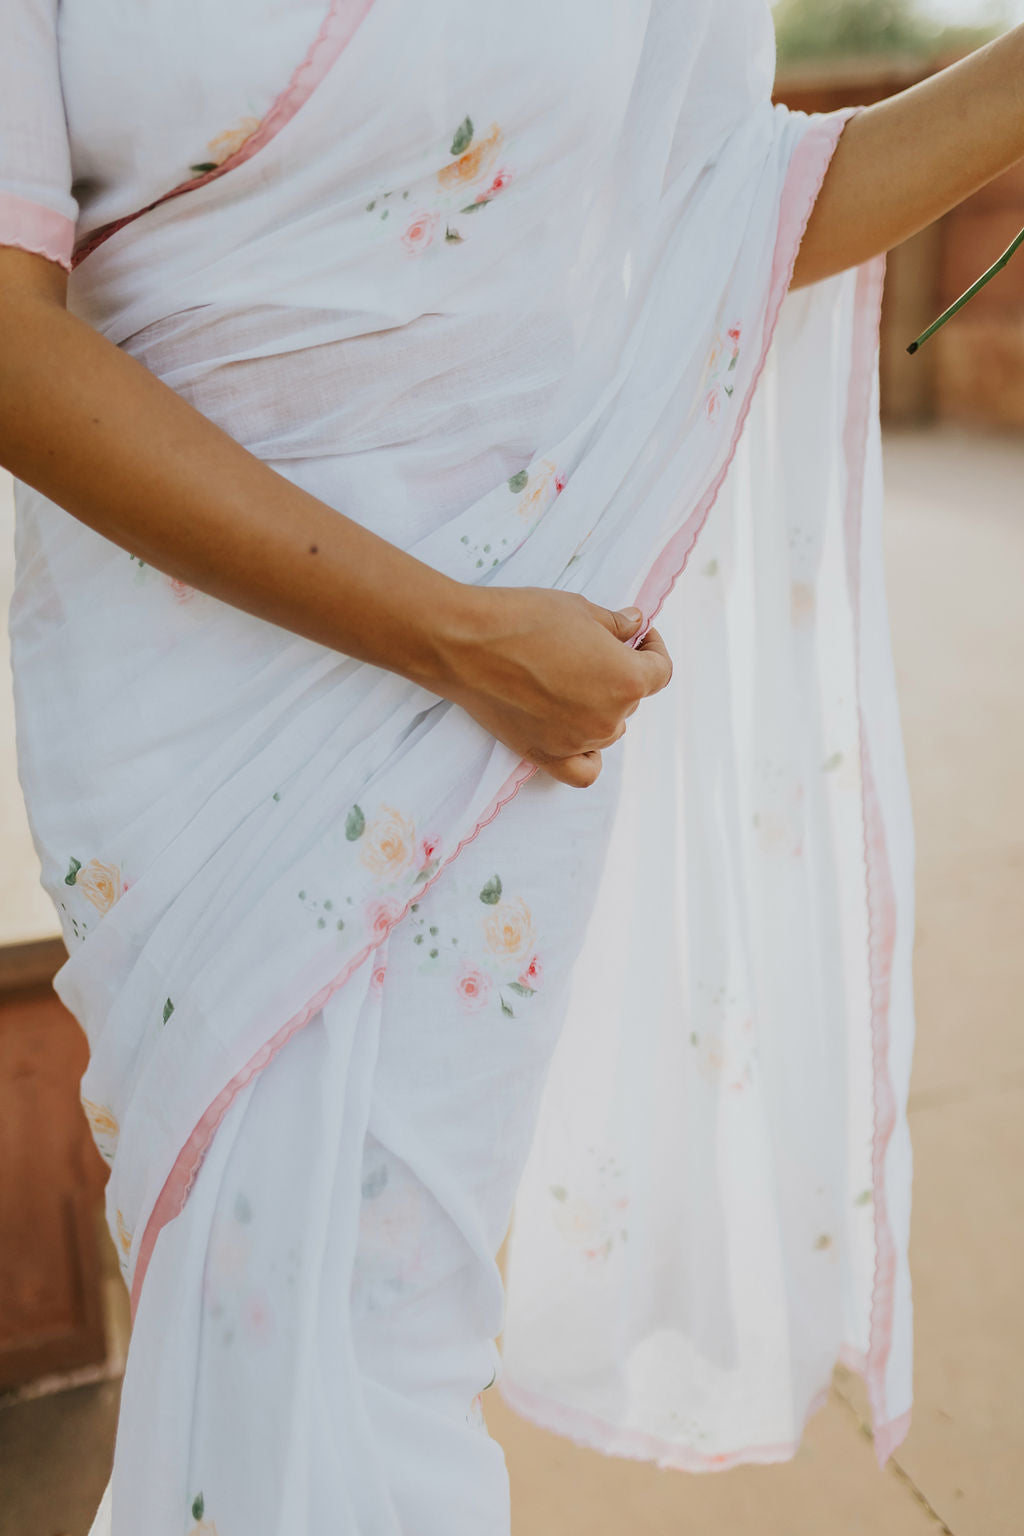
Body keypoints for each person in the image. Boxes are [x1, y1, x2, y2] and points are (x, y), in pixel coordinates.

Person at [1, 3, 1022, 1532]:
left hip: (491, 700)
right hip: (198, 698)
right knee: (248, 1307)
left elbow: (726, 215)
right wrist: (448, 633)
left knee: (373, 1328)